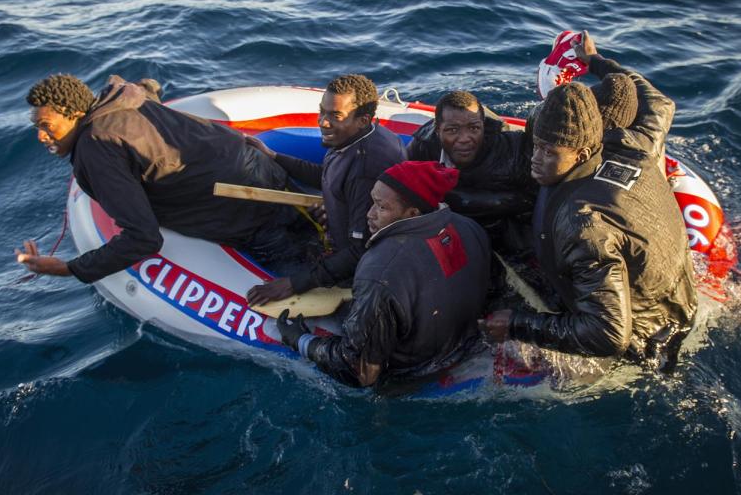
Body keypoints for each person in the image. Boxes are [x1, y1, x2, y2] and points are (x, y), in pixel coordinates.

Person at [480, 34, 697, 372]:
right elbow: (658, 101)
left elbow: (608, 335)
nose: (535, 159)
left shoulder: (585, 227)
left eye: (549, 153)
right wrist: (596, 61)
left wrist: (517, 324)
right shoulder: (635, 144)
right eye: (535, 145)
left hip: (645, 347)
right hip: (675, 301)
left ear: (581, 153)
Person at [16, 73, 299, 283]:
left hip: (244, 210)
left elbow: (143, 238)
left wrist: (68, 268)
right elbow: (147, 89)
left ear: (76, 114)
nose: (41, 136)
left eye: (46, 126)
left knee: (301, 265)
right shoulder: (120, 96)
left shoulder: (96, 148)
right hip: (261, 167)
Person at [275, 161, 491, 387]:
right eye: (372, 202)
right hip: (465, 348)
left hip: (413, 377)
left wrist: (301, 340)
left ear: (413, 212)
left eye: (381, 207)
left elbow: (359, 371)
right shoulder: (468, 227)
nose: (369, 214)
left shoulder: (380, 271)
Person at [245, 74, 406, 305]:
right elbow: (328, 175)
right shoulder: (357, 137)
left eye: (335, 116)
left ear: (363, 119)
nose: (323, 122)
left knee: (267, 248)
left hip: (360, 269)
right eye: (323, 112)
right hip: (343, 235)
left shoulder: (366, 170)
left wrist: (293, 282)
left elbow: (362, 250)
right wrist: (274, 156)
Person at [406, 90, 536, 249]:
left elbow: (534, 200)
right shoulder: (422, 147)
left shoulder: (512, 151)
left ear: (484, 125)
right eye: (452, 130)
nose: (464, 139)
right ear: (437, 130)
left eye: (474, 128)